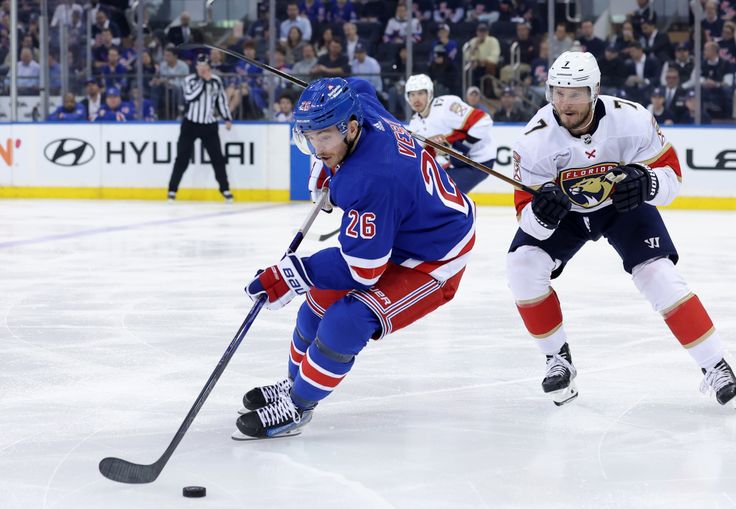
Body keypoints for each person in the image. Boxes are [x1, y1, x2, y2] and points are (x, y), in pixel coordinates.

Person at [235, 77, 476, 439]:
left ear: (350, 128)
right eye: (311, 137)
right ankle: (294, 384)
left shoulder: (372, 178)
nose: (317, 149)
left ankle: (298, 406)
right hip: (400, 228)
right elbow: (359, 84)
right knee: (317, 304)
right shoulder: (359, 108)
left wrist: (293, 274)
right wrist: (326, 142)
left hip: (435, 254)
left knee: (347, 320)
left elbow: (362, 270)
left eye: (325, 138)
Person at [506, 51, 736, 411]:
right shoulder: (533, 142)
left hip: (623, 207)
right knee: (522, 266)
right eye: (557, 92)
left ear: (595, 91)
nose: (565, 103)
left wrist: (647, 181)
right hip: (568, 216)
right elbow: (528, 220)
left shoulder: (632, 119)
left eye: (575, 93)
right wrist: (543, 213)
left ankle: (716, 366)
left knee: (659, 276)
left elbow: (673, 178)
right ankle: (557, 359)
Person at [406, 74, 497, 193]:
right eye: (412, 94)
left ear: (430, 94)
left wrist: (464, 146)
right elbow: (420, 157)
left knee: (446, 194)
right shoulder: (414, 125)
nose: (416, 99)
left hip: (479, 161)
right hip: (455, 164)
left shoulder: (447, 106)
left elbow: (484, 121)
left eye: (420, 93)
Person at [167, 54, 234, 202]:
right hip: (190, 124)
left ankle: (225, 189)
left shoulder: (216, 81)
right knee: (182, 158)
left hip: (209, 125)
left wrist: (227, 117)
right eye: (199, 66)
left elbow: (221, 101)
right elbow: (190, 97)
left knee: (218, 159)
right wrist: (203, 82)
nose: (202, 69)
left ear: (209, 67)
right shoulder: (189, 80)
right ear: (196, 67)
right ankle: (172, 190)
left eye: (204, 66)